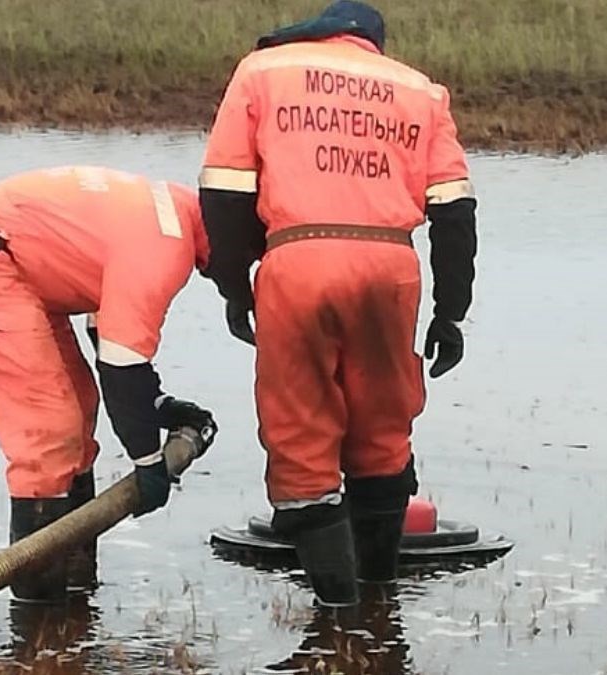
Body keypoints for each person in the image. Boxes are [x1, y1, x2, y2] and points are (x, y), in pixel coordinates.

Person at [199, 0, 477, 606]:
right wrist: (451, 311)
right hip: (390, 266)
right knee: (382, 429)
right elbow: (454, 212)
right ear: (372, 43)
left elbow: (223, 190)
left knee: (299, 434)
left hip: (297, 258)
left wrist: (232, 282)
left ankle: (338, 616)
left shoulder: (263, 70)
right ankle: (378, 601)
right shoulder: (419, 90)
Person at [0, 165, 218, 603]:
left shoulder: (176, 211)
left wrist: (155, 404)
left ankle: (76, 589)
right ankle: (40, 613)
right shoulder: (166, 247)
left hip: (15, 261)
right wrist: (148, 462)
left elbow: (111, 340)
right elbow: (122, 368)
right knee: (49, 430)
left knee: (80, 403)